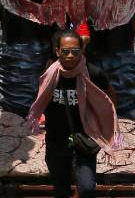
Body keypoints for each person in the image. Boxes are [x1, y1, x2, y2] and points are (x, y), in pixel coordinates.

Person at [27, 29, 119, 198]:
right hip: (56, 141)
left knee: (87, 189)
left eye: (75, 51)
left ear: (82, 51)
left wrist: (105, 121)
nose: (70, 56)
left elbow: (109, 96)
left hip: (84, 140)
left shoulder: (93, 73)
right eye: (65, 51)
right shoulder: (48, 74)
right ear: (57, 51)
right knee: (61, 191)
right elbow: (39, 97)